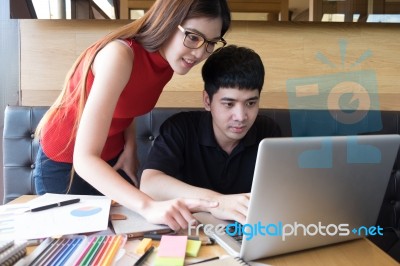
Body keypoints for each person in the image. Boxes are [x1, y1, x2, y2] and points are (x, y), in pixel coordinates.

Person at [33, 0, 231, 231]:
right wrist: (148, 206)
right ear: (168, 21)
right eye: (193, 37)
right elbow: (84, 158)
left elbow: (127, 101)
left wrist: (130, 147)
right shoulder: (119, 55)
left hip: (111, 159)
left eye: (210, 43)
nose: (199, 53)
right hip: (65, 161)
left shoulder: (168, 59)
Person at [140, 45, 282, 224]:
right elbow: (149, 184)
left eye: (251, 103)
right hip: (193, 227)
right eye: (229, 104)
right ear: (208, 101)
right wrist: (217, 203)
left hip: (248, 231)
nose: (241, 117)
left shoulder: (268, 132)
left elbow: (283, 192)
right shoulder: (181, 128)